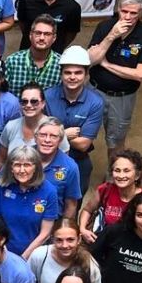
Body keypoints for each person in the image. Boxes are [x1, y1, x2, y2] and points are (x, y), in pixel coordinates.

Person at [87, 0, 142, 159]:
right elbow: (89, 59)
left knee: (116, 141)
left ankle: (113, 178)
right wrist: (111, 36)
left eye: (134, 13)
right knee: (83, 134)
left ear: (141, 13)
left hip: (122, 97)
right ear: (118, 9)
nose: (128, 16)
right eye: (124, 11)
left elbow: (140, 74)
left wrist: (106, 64)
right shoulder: (105, 26)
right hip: (94, 90)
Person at [43, 45, 104, 195]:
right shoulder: (47, 96)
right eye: (68, 72)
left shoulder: (95, 102)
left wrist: (55, 133)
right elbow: (38, 134)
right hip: (47, 157)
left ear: (86, 74)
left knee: (74, 202)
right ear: (61, 74)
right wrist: (64, 133)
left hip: (78, 158)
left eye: (78, 73)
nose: (72, 77)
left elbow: (83, 144)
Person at [0, 147, 58, 259]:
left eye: (27, 165)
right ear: (11, 168)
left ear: (36, 168)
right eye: (17, 165)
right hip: (2, 252)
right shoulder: (2, 187)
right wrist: (4, 253)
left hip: (34, 255)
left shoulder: (49, 191)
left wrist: (23, 257)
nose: (22, 170)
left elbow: (45, 233)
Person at [27, 218, 102, 283]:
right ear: (52, 239)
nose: (65, 245)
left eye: (70, 240)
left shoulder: (89, 264)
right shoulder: (40, 255)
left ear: (79, 239)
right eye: (59, 240)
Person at [79, 148, 142, 243]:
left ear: (137, 175)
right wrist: (82, 229)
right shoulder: (105, 190)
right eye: (117, 170)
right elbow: (87, 210)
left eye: (126, 171)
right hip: (104, 244)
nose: (121, 176)